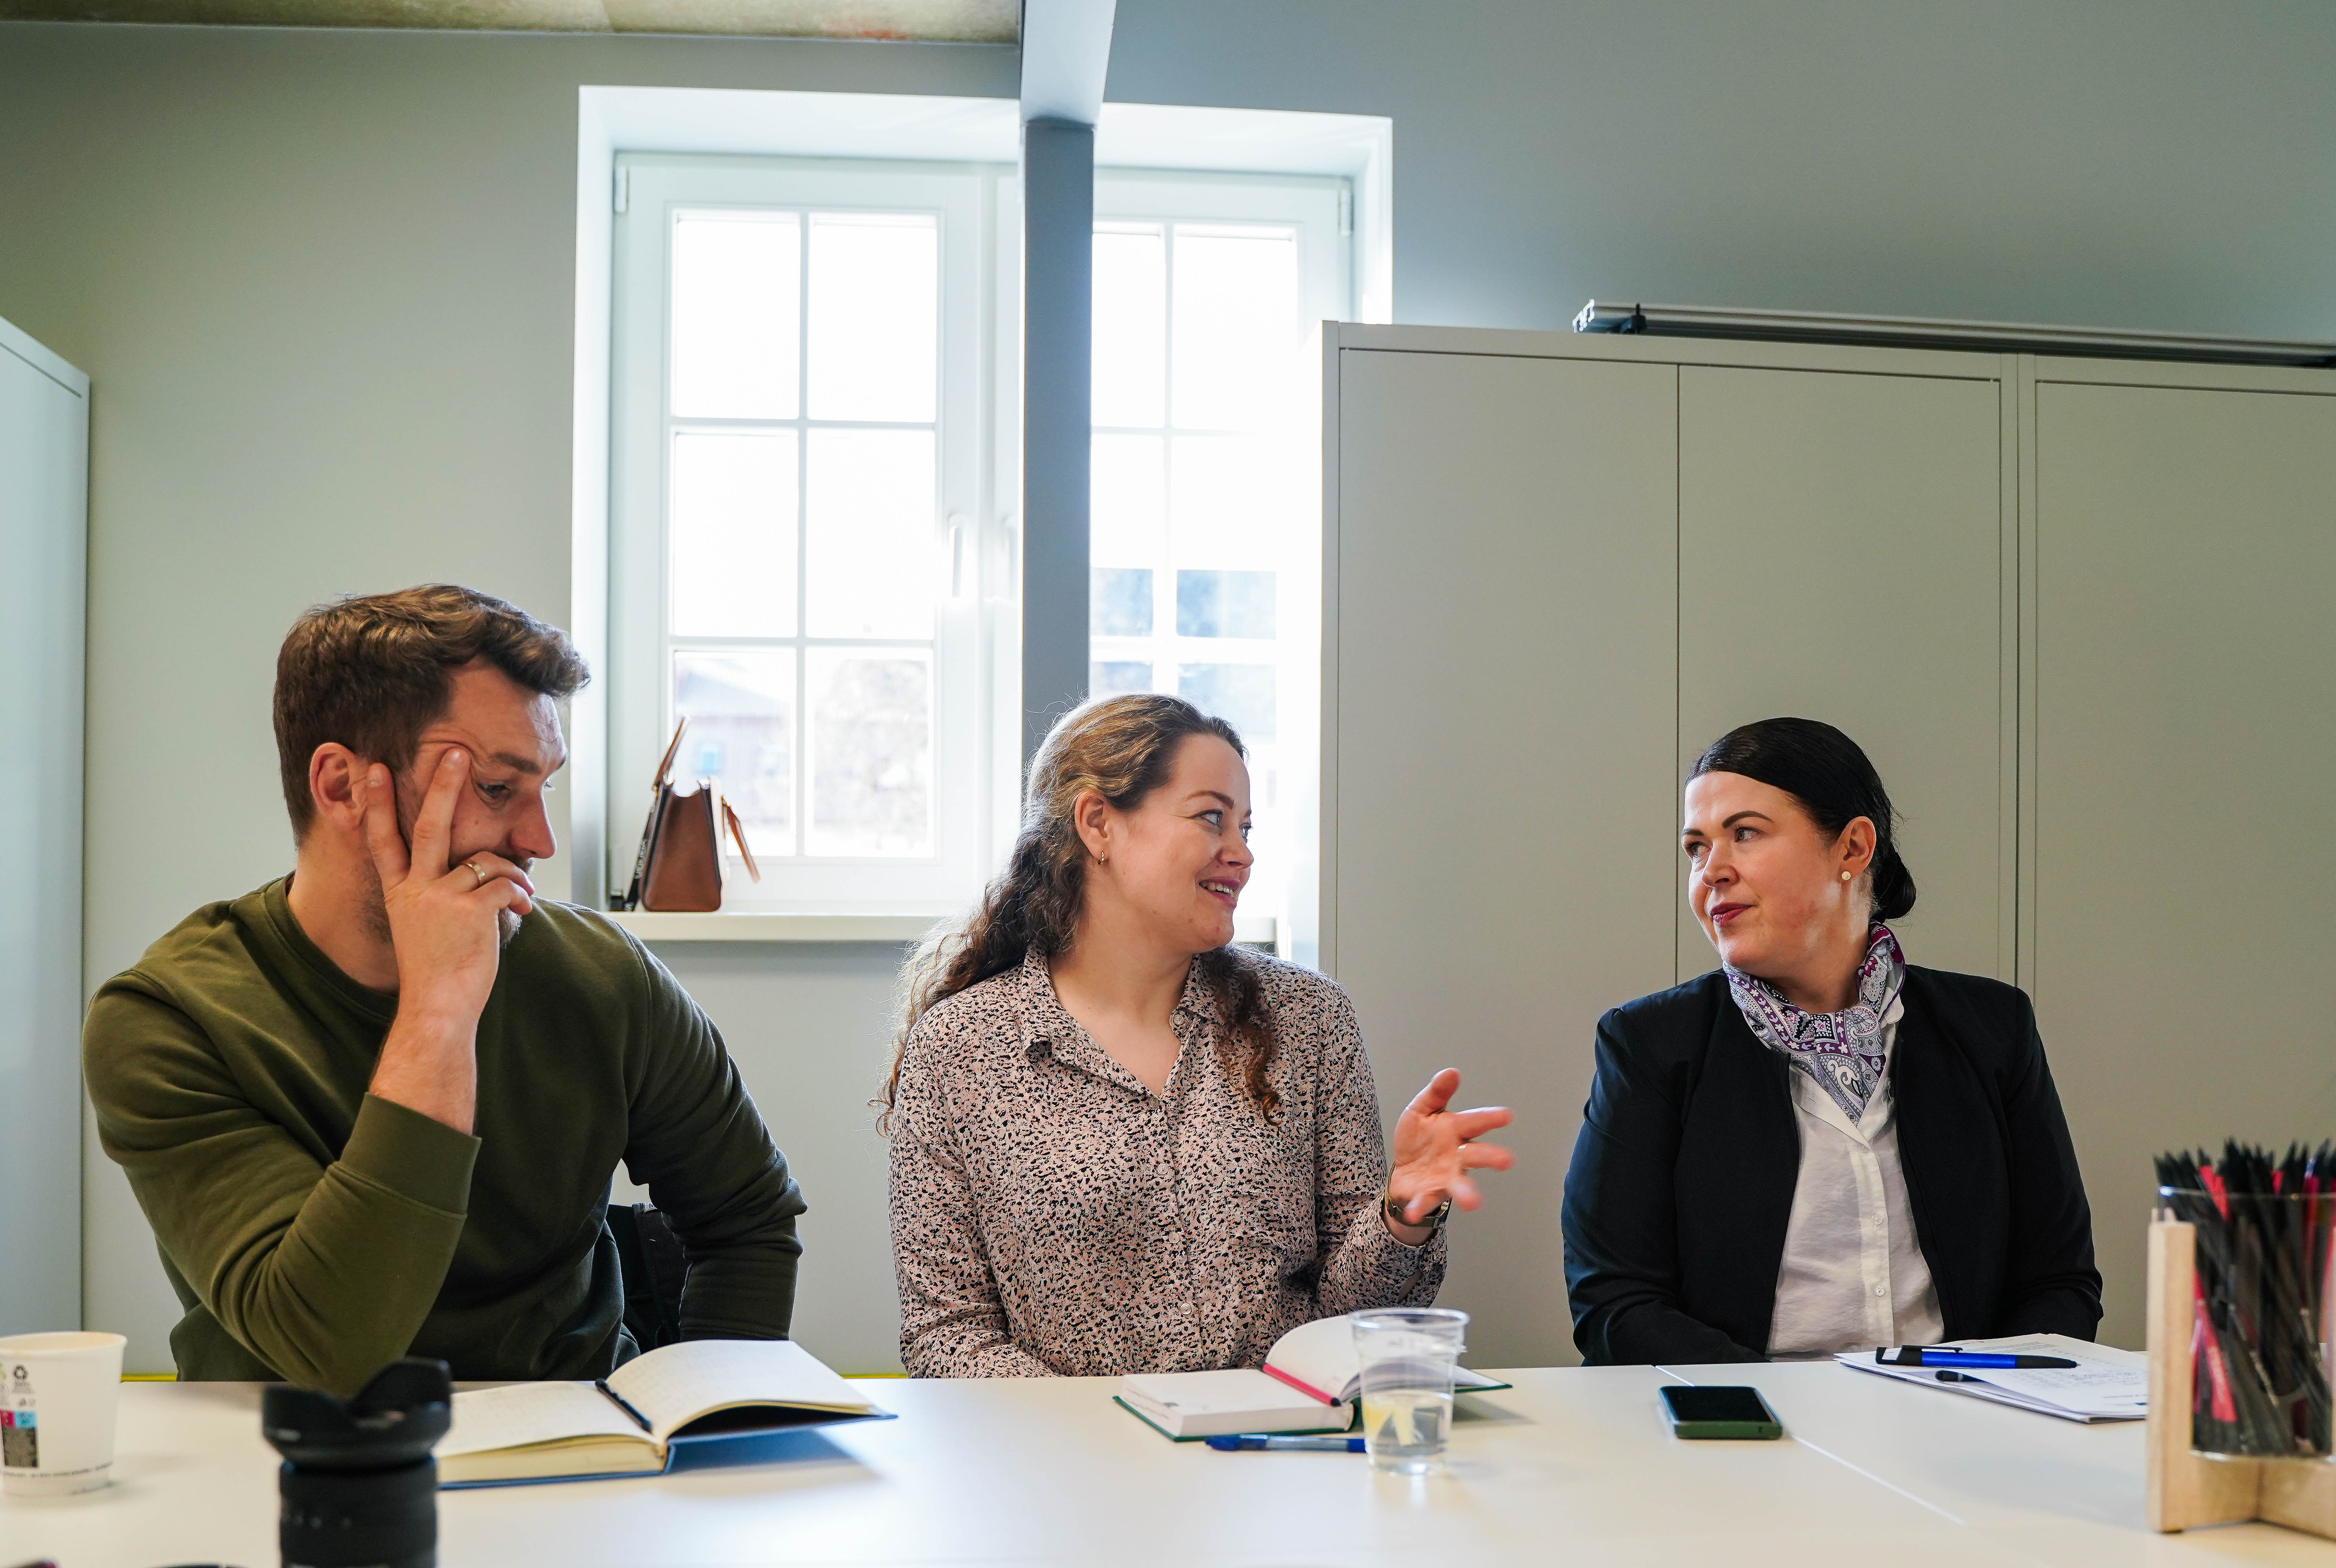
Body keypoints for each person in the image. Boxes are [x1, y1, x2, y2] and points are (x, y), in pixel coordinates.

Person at [83, 586, 806, 1397]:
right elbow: (327, 1344)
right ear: (342, 786)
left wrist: (702, 1421)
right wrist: (438, 1010)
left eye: (545, 787)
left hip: (574, 1443)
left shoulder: (602, 974)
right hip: (284, 1446)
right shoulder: (170, 1019)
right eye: (496, 788)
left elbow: (750, 1219)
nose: (540, 840)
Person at [884, 694, 1513, 1377]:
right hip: (1068, 1444)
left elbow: (1350, 1322)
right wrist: (1103, 1424)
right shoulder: (959, 1047)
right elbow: (946, 1336)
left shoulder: (1310, 1018)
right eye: (1211, 817)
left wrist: (1400, 1216)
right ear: (1098, 823)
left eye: (1246, 827)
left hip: (1281, 1437)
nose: (1241, 854)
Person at [1562, 718, 2099, 1365]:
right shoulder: (1649, 1044)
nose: (1711, 872)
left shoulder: (1992, 1027)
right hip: (1746, 1416)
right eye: (1696, 848)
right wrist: (1781, 1407)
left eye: (1744, 833)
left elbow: (2058, 1282)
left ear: (1851, 848)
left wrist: (1985, 1393)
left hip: (1959, 1410)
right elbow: (1615, 1304)